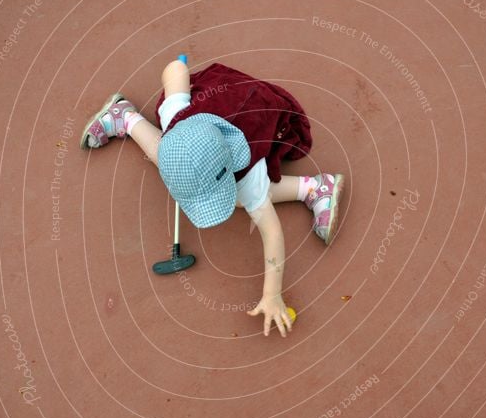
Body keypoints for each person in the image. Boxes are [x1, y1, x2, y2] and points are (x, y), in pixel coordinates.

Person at [79, 58, 345, 338]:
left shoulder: (247, 173)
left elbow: (272, 232)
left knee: (243, 198)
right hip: (205, 119)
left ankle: (315, 188)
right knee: (168, 155)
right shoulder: (176, 119)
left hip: (250, 112)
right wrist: (176, 68)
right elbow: (176, 72)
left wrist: (272, 294)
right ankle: (123, 115)